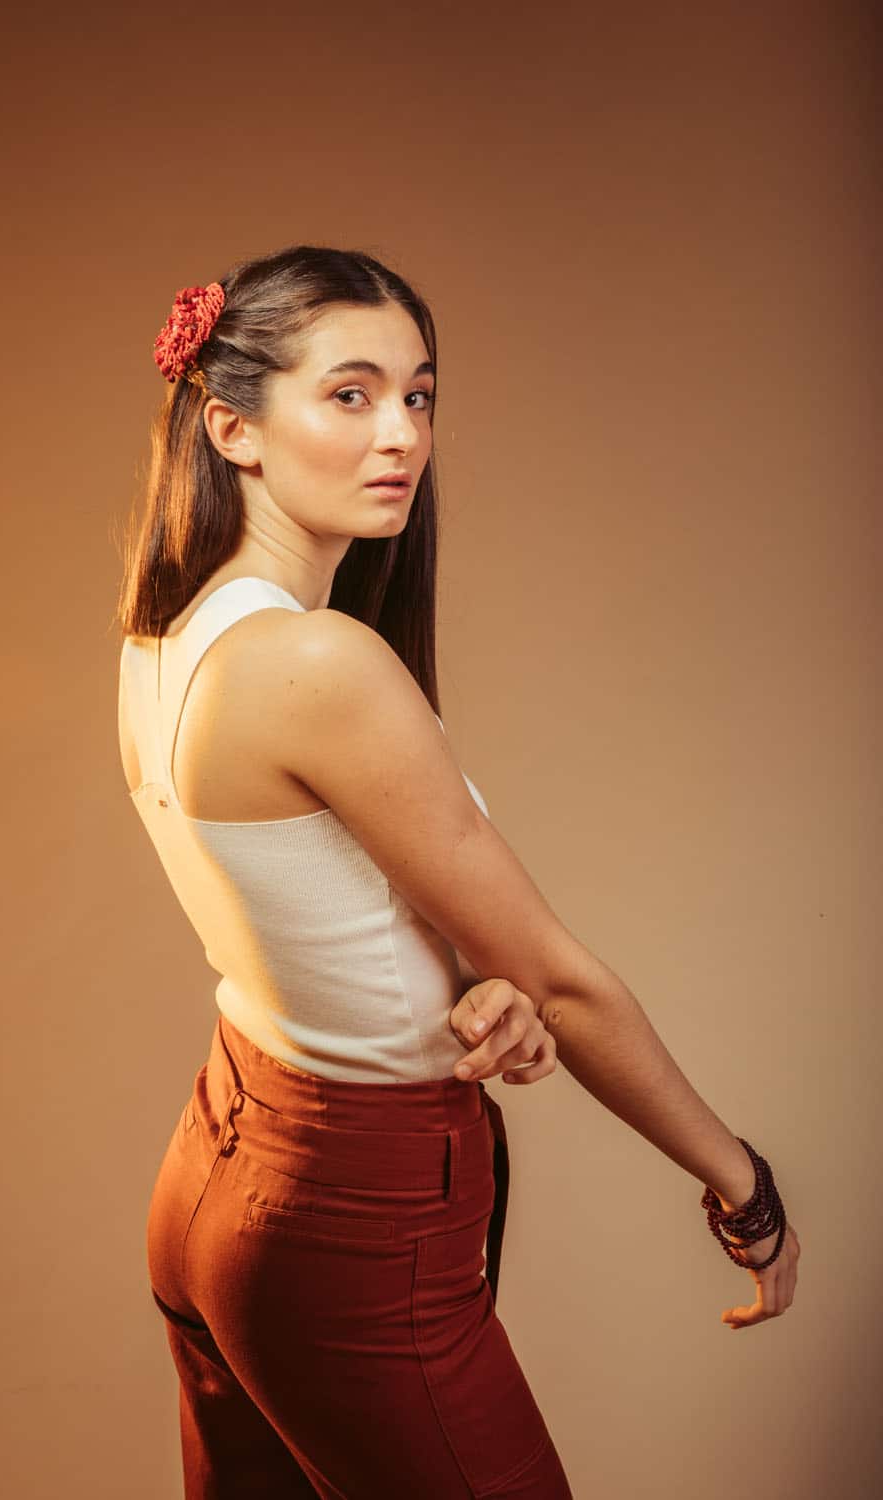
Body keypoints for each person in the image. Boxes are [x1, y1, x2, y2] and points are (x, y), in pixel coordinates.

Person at [116, 244, 800, 1499]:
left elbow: (319, 922)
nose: (401, 435)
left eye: (418, 395)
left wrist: (475, 999)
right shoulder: (317, 662)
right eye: (350, 393)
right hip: (348, 1223)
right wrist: (740, 1187)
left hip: (223, 1169)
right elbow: (562, 980)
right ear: (231, 428)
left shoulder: (169, 634)